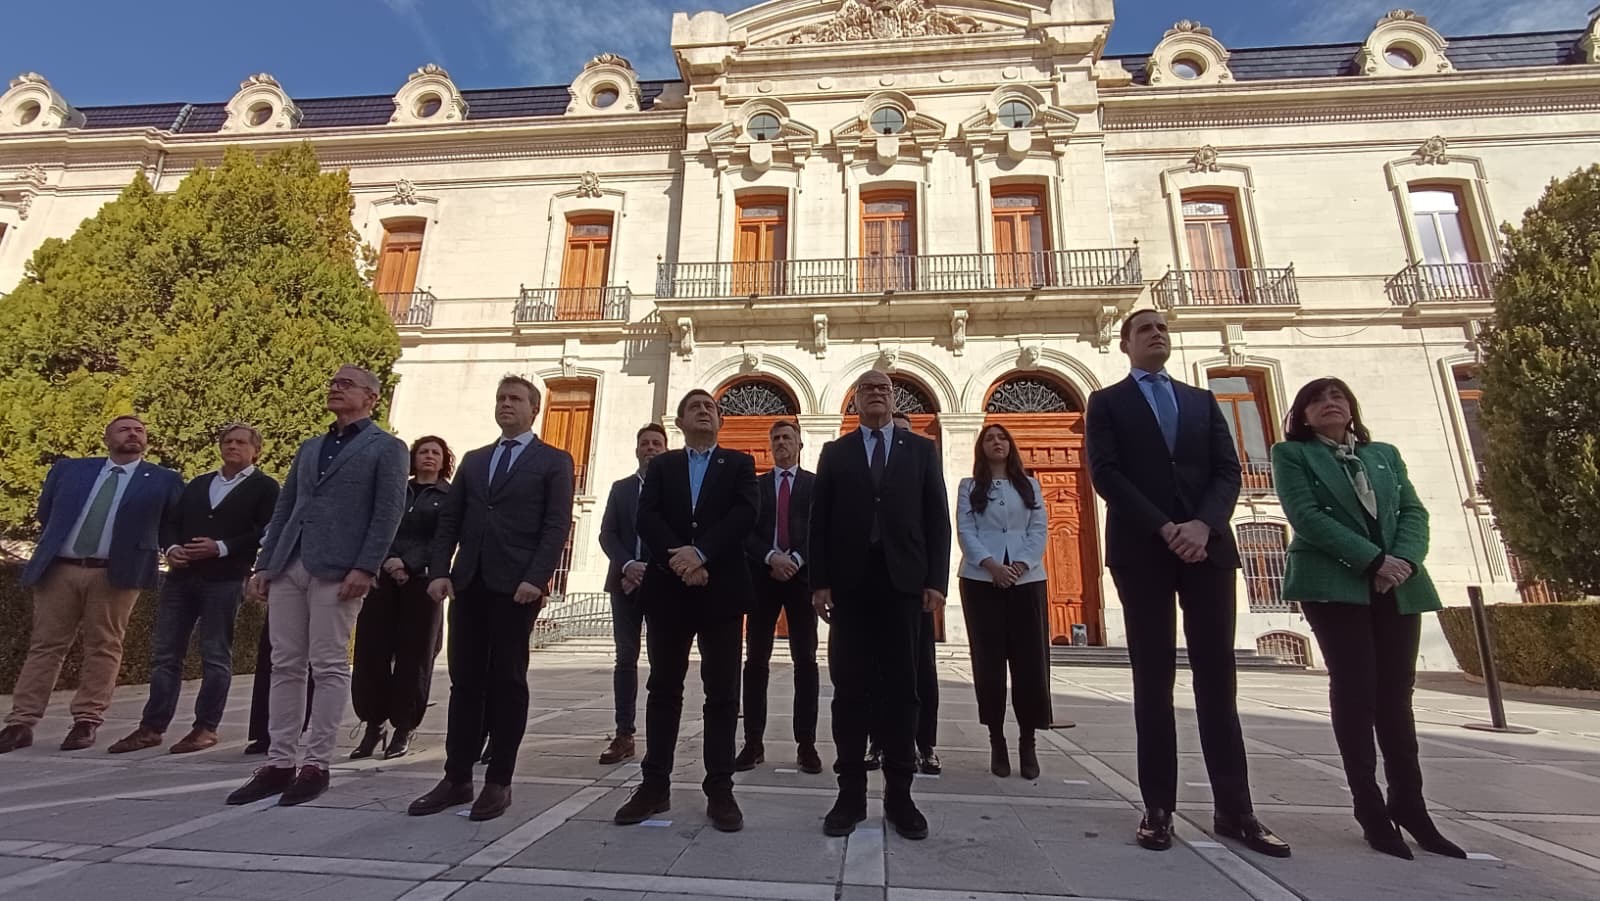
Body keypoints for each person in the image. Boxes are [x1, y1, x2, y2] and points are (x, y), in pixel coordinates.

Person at [1084, 309, 1289, 858]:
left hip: (1208, 550)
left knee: (1217, 680)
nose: (1158, 334)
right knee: (1153, 681)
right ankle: (1158, 807)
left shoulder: (1202, 402)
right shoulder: (1106, 403)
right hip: (1143, 551)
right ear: (1124, 343)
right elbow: (1105, 473)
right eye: (1145, 329)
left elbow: (1229, 469)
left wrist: (1203, 525)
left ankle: (1235, 808)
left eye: (1163, 329)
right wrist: (1165, 526)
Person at [1273, 378, 1464, 860]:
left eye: (1337, 397)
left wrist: (1401, 562)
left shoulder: (1384, 455)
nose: (1329, 404)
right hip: (1334, 584)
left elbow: (1414, 511)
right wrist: (1371, 561)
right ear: (1303, 415)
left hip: (1398, 585)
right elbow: (1307, 516)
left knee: (1397, 698)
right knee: (1356, 691)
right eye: (1317, 400)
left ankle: (1411, 804)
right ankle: (1369, 805)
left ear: (1351, 408)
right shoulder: (1292, 455)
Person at [225, 365, 409, 807]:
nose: (334, 387)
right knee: (286, 663)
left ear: (371, 397)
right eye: (332, 382)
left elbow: (388, 511)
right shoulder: (311, 447)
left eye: (345, 384)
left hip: (340, 568)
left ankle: (316, 763)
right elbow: (287, 505)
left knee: (327, 665)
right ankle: (279, 761)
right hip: (291, 562)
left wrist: (366, 566)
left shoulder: (387, 448)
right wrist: (265, 564)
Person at [407, 376, 575, 822]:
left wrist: (536, 578)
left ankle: (499, 780)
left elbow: (556, 525)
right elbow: (451, 520)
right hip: (470, 584)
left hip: (516, 588)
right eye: (501, 398)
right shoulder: (476, 460)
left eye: (515, 399)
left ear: (534, 409)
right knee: (465, 682)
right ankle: (456, 776)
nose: (505, 405)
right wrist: (440, 570)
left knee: (507, 681)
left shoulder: (554, 461)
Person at [811, 369, 950, 841]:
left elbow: (937, 518)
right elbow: (820, 520)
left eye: (884, 390)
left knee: (902, 691)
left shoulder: (922, 451)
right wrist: (820, 581)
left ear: (894, 399)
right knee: (849, 691)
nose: (876, 394)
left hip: (903, 585)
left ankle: (899, 795)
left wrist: (935, 580)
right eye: (867, 389)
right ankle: (850, 794)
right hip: (850, 586)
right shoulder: (836, 452)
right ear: (854, 401)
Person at [613, 389, 758, 833]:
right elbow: (646, 516)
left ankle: (720, 789)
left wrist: (701, 553)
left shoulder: (738, 464)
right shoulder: (662, 466)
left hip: (721, 590)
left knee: (722, 694)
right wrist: (680, 559)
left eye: (710, 407)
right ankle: (654, 785)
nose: (702, 410)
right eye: (693, 406)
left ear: (719, 421)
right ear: (679, 422)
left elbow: (745, 514)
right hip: (669, 591)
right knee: (663, 690)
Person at [0, 415, 183, 754]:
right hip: (60, 569)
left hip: (116, 574)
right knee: (45, 646)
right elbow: (46, 512)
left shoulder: (164, 479)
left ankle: (87, 720)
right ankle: (20, 723)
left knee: (105, 646)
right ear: (107, 437)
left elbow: (171, 523)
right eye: (124, 429)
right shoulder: (71, 470)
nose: (133, 434)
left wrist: (172, 550)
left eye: (139, 430)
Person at [110, 423, 280, 755]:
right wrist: (171, 548)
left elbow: (267, 531)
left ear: (255, 450)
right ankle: (152, 726)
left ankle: (206, 727)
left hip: (225, 578)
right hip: (182, 577)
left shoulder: (265, 487)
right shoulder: (200, 484)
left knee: (215, 654)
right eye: (228, 441)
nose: (233, 446)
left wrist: (222, 547)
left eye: (241, 442)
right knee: (165, 653)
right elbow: (171, 521)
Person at [349, 435, 454, 760]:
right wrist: (387, 561)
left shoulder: (449, 497)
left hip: (422, 583)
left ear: (444, 460)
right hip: (383, 580)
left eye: (436, 452)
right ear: (414, 457)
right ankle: (373, 724)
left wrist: (407, 563)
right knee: (372, 654)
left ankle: (404, 727)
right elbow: (380, 526)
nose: (429, 457)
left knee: (415, 659)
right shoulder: (396, 489)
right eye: (423, 451)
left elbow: (443, 539)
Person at [957, 423, 1052, 780]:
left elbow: (1038, 530)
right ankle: (997, 739)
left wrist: (1020, 565)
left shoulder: (1030, 486)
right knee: (989, 663)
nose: (997, 443)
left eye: (1002, 439)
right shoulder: (969, 488)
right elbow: (967, 531)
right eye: (990, 439)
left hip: (1026, 581)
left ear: (1011, 447)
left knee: (1030, 664)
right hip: (982, 581)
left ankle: (1027, 740)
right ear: (981, 449)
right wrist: (992, 566)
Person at [737, 419, 822, 775]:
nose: (782, 443)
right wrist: (772, 557)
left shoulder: (815, 486)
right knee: (756, 661)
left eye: (788, 437)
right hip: (763, 579)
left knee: (806, 662)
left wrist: (797, 559)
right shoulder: (755, 487)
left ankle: (806, 745)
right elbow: (745, 532)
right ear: (770, 447)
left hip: (802, 581)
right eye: (776, 439)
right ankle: (753, 742)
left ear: (800, 445)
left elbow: (822, 529)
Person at [861, 410, 942, 776]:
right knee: (875, 667)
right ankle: (877, 739)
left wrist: (935, 582)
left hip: (914, 584)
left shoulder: (922, 460)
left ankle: (925, 744)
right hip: (873, 580)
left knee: (921, 669)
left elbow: (938, 522)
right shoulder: (869, 464)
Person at [595, 423, 668, 764]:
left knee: (661, 660)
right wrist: (627, 566)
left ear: (665, 449)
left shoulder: (674, 490)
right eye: (645, 443)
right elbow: (607, 534)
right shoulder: (621, 488)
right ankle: (624, 734)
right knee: (625, 658)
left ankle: (659, 735)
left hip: (661, 586)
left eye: (656, 443)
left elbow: (677, 537)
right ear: (636, 449)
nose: (650, 448)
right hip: (623, 585)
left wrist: (647, 571)